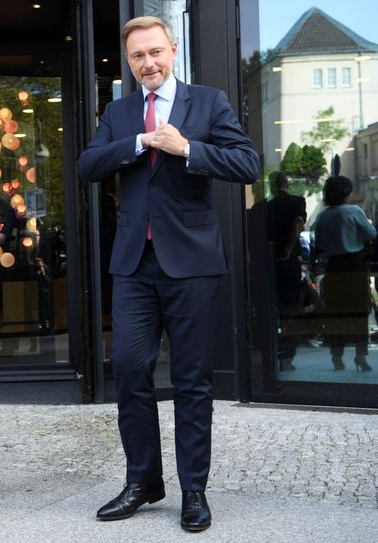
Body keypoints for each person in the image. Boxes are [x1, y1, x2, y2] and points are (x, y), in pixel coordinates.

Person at [77, 16, 260, 531]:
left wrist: (188, 150)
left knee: (192, 381)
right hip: (134, 263)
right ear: (129, 61)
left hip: (192, 264)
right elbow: (88, 165)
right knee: (131, 370)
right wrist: (140, 141)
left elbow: (248, 163)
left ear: (173, 49)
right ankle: (143, 481)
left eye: (155, 52)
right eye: (138, 56)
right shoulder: (118, 111)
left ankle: (194, 490)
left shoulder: (209, 102)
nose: (148, 63)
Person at [312, 175, 375, 372]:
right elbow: (371, 235)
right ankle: (360, 356)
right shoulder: (354, 211)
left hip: (334, 267)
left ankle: (337, 357)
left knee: (336, 314)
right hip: (355, 266)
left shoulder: (323, 215)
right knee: (359, 313)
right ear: (346, 192)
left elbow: (319, 244)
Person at [266, 171, 307, 372]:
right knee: (290, 309)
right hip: (288, 261)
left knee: (270, 309)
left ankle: (272, 355)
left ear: (273, 186)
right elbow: (297, 223)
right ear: (287, 184)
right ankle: (288, 357)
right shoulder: (297, 202)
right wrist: (290, 249)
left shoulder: (265, 207)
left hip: (268, 262)